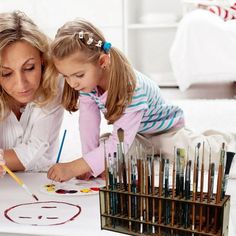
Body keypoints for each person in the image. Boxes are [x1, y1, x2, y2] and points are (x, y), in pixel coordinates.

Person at [47, 18, 235, 182]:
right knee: (107, 151)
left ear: (103, 62)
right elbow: (88, 125)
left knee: (201, 156)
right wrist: (87, 165)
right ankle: (155, 155)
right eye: (66, 76)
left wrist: (75, 167)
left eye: (78, 75)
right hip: (135, 136)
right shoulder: (87, 84)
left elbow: (118, 146)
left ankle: (222, 140)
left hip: (164, 131)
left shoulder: (130, 88)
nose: (72, 83)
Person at [0, 11, 64, 175]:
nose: (21, 84)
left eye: (29, 68)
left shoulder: (54, 80)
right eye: (6, 73)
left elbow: (36, 150)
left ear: (42, 59)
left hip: (42, 183)